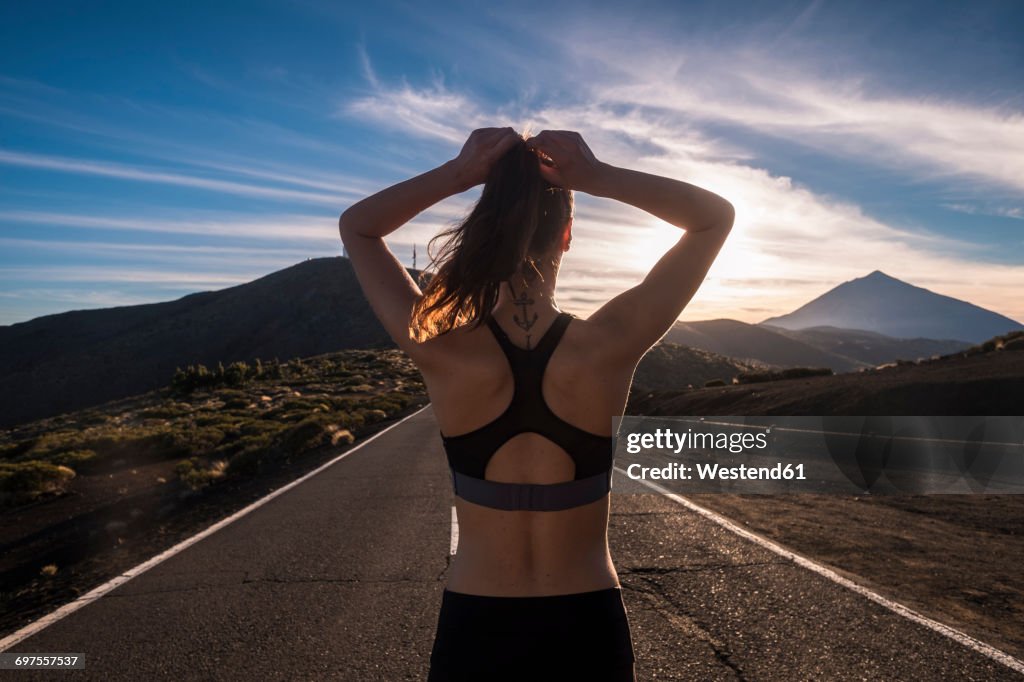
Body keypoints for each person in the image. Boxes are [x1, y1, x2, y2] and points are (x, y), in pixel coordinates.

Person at [339, 127, 734, 681]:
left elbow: (358, 227)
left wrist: (460, 173)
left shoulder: (442, 348)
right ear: (568, 235)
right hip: (586, 624)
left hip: (476, 626)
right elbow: (714, 217)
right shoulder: (609, 345)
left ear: (486, 230)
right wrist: (597, 177)